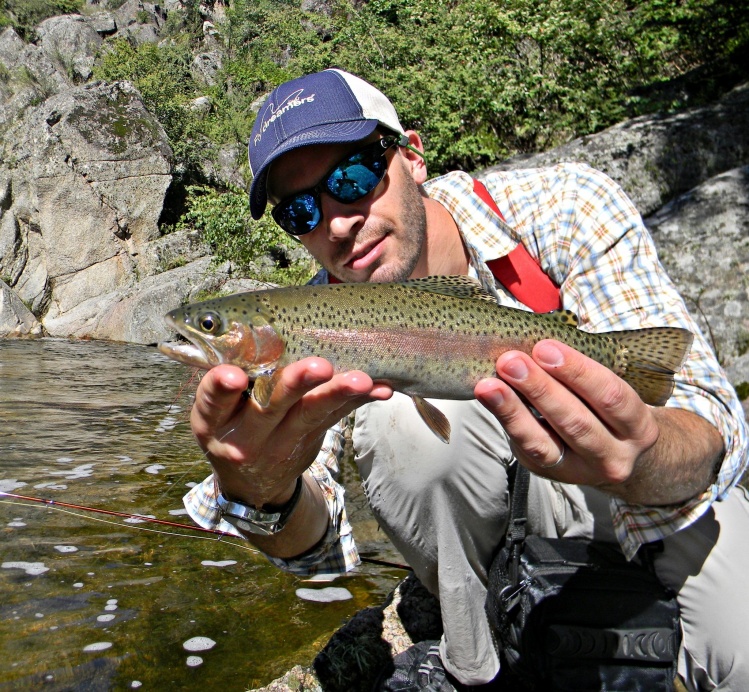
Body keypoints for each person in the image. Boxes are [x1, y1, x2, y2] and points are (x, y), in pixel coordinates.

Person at [183, 68, 749, 691]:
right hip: (491, 529)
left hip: (651, 508)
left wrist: (643, 457)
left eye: (352, 177)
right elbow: (317, 555)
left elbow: (713, 423)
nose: (337, 222)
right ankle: (482, 667)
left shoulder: (564, 205)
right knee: (398, 421)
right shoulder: (315, 325)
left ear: (412, 156)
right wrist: (260, 488)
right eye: (300, 210)